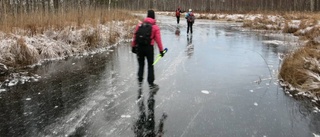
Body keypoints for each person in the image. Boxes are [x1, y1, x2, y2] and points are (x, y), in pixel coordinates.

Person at [131, 10, 165, 91]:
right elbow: (158, 40)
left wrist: (133, 46)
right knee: (150, 65)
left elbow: (135, 36)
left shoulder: (140, 25)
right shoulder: (155, 27)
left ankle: (140, 81)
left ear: (147, 16)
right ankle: (151, 83)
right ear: (153, 17)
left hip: (139, 48)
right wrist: (161, 50)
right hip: (149, 49)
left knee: (141, 65)